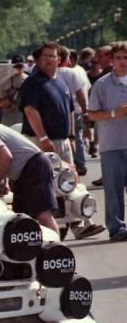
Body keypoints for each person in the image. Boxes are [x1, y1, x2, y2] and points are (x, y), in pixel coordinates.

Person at [0, 119, 60, 235]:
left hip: (33, 166)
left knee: (43, 215)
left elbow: (6, 157)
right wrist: (3, 182)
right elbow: (0, 161)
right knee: (22, 219)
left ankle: (57, 249)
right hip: (20, 174)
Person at [87, 41, 127, 242]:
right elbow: (92, 114)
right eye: (118, 58)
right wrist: (114, 113)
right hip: (112, 143)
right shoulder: (102, 85)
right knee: (114, 188)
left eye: (126, 58)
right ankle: (117, 228)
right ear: (111, 61)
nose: (122, 62)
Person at [18, 42, 75, 165]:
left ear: (58, 60)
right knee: (45, 180)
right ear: (39, 60)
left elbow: (69, 110)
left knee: (68, 180)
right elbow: (30, 110)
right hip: (41, 141)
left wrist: (71, 137)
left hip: (63, 141)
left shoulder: (61, 81)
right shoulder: (33, 82)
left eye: (51, 56)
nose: (47, 59)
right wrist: (43, 138)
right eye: (44, 56)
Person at [57, 45, 90, 175]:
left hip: (57, 111)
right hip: (75, 110)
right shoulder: (73, 72)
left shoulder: (52, 73)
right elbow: (81, 93)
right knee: (77, 138)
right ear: (68, 58)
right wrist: (85, 110)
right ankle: (80, 164)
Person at [0, 56, 28, 126]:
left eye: (20, 66)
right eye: (16, 66)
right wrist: (8, 101)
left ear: (24, 66)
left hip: (22, 116)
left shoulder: (29, 80)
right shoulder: (5, 80)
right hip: (8, 116)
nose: (18, 68)